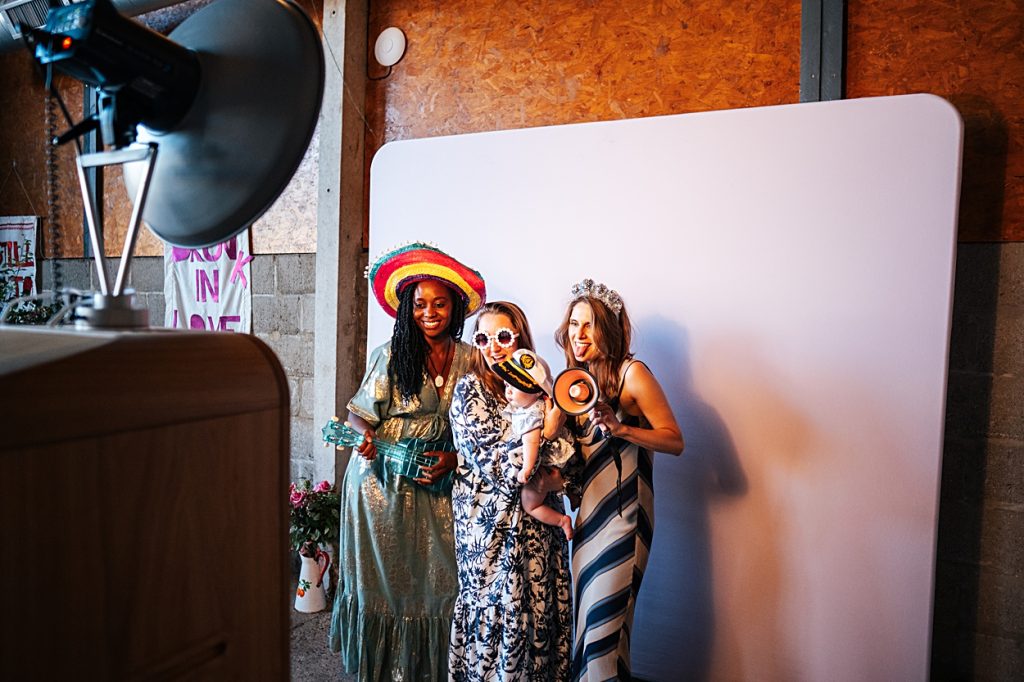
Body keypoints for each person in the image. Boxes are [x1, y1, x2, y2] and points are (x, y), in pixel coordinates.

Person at [328, 242, 486, 682]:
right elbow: (357, 417)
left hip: (440, 483)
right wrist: (364, 442)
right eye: (420, 304)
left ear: (455, 306)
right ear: (406, 308)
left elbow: (485, 427)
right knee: (389, 589)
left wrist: (454, 457)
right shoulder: (390, 354)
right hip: (381, 486)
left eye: (439, 303)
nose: (429, 312)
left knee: (441, 583)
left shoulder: (474, 360)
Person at [553, 278, 684, 681]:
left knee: (603, 640)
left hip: (625, 521)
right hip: (588, 522)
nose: (579, 334)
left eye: (589, 325)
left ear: (608, 329)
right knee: (588, 637)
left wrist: (622, 428)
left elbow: (675, 440)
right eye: (574, 324)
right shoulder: (571, 383)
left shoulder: (633, 375)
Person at [448, 301, 573, 682]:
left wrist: (556, 474)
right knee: (498, 618)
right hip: (490, 532)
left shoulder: (532, 385)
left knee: (539, 611)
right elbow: (504, 465)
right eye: (482, 338)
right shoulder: (469, 392)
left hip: (537, 531)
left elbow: (565, 461)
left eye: (503, 336)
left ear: (520, 337)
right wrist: (548, 433)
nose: (492, 346)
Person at [499, 354, 575, 540]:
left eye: (515, 387)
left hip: (543, 465)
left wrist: (526, 468)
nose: (508, 392)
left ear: (536, 392)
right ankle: (572, 495)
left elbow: (531, 443)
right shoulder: (535, 406)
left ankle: (561, 521)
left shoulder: (530, 415)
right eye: (507, 385)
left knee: (530, 505)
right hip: (557, 458)